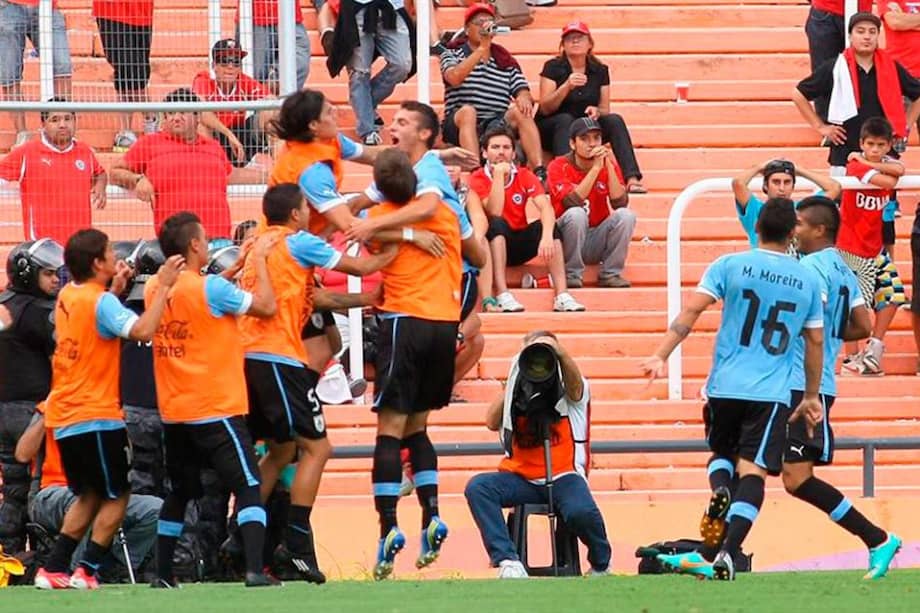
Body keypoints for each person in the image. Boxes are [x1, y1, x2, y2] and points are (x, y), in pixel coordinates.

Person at [640, 198, 825, 581]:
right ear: (792, 232)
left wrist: (660, 355)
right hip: (770, 393)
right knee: (754, 472)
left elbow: (690, 313)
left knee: (720, 456)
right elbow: (815, 342)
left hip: (724, 386)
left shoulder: (729, 264)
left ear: (756, 228)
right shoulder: (807, 278)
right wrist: (809, 395)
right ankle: (724, 554)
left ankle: (720, 489)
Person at [236, 184, 397, 583]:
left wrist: (369, 300)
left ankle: (239, 534)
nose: (310, 214)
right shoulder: (299, 243)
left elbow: (316, 299)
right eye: (307, 208)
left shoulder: (257, 245)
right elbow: (358, 268)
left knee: (281, 449)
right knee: (318, 448)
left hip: (248, 356)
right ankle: (296, 537)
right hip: (278, 356)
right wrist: (405, 243)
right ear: (295, 214)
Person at [33, 228, 182, 590]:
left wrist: (113, 289)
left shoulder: (70, 295)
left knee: (91, 495)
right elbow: (144, 329)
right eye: (110, 252)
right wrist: (162, 286)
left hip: (67, 417)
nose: (117, 256)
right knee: (119, 494)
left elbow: (95, 322)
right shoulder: (102, 303)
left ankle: (53, 569)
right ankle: (87, 570)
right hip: (95, 415)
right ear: (98, 262)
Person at [146, 211, 278, 588]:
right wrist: (260, 263)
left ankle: (164, 573)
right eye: (204, 239)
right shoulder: (210, 291)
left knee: (181, 491)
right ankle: (254, 570)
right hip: (215, 406)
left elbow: (200, 296)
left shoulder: (160, 286)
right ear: (194, 245)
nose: (207, 245)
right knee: (249, 484)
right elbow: (266, 306)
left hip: (175, 410)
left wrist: (234, 269)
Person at [781, 196, 901, 579]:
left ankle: (878, 539)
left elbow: (807, 325)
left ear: (819, 230)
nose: (794, 230)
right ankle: (720, 551)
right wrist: (832, 336)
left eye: (799, 224)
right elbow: (863, 327)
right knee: (755, 465)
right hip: (812, 381)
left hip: (803, 384)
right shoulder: (843, 268)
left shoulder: (811, 270)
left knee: (795, 478)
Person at [361, 149, 465, 580]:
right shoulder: (443, 214)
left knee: (389, 431)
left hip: (405, 320)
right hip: (445, 324)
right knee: (418, 427)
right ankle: (432, 515)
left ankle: (388, 526)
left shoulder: (381, 218)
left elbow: (371, 257)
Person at [464, 331, 611, 578]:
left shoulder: (570, 386)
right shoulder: (517, 387)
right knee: (478, 488)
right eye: (531, 354)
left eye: (544, 355)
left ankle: (600, 564)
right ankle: (508, 560)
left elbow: (576, 390)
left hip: (565, 476)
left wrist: (558, 352)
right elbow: (491, 421)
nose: (537, 362)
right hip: (520, 478)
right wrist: (512, 384)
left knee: (580, 512)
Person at [16, 407, 162, 582]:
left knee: (155, 509)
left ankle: (109, 566)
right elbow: (22, 454)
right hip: (51, 492)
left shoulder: (109, 408)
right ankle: (73, 571)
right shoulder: (51, 406)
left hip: (101, 492)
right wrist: (47, 417)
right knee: (87, 502)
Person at [110, 88, 266, 240]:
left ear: (198, 116)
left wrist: (271, 177)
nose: (176, 118)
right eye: (170, 113)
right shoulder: (150, 144)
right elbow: (115, 171)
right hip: (176, 243)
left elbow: (232, 174)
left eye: (183, 112)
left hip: (218, 240)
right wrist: (137, 180)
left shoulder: (213, 147)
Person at [467, 127, 584, 313]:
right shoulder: (477, 178)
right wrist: (498, 176)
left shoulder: (523, 174)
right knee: (496, 224)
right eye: (495, 147)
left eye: (506, 147)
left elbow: (545, 207)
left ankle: (562, 295)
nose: (500, 152)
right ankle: (502, 293)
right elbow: (494, 211)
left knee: (549, 226)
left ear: (513, 153)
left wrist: (546, 235)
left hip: (518, 241)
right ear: (484, 152)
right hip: (493, 243)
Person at [792, 12, 920, 170]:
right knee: (843, 194)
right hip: (844, 152)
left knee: (885, 194)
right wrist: (820, 127)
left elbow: (918, 95)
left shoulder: (892, 67)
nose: (867, 37)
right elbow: (799, 94)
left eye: (872, 32)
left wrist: (905, 125)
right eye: (861, 31)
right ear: (850, 36)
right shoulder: (835, 67)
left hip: (882, 154)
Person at [0, 239, 63, 555]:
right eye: (48, 273)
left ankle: (9, 559)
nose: (56, 280)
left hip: (4, 409)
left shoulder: (5, 303)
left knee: (12, 490)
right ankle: (41, 558)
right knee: (38, 489)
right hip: (33, 413)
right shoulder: (40, 312)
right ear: (28, 274)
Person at [835, 118, 908, 376]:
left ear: (889, 145)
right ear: (861, 143)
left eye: (880, 145)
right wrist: (864, 162)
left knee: (893, 295)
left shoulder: (870, 161)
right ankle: (851, 358)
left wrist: (868, 160)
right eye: (870, 145)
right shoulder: (854, 167)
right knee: (854, 302)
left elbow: (900, 170)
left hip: (874, 246)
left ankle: (874, 349)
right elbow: (889, 183)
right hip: (850, 245)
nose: (875, 150)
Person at [440, 3, 545, 180]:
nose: (484, 25)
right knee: (468, 111)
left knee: (522, 112)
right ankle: (475, 171)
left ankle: (539, 171)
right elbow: (454, 78)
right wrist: (482, 48)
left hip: (495, 121)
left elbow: (522, 89)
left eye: (489, 21)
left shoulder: (504, 59)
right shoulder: (452, 52)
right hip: (459, 122)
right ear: (467, 29)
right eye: (479, 22)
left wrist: (523, 97)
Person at [537, 21, 645, 194]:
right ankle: (564, 178)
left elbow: (605, 109)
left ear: (590, 44)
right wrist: (566, 87)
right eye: (569, 38)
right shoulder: (553, 67)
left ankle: (631, 178)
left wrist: (597, 111)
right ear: (563, 45)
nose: (575, 41)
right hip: (553, 126)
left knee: (614, 120)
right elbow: (545, 107)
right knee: (565, 120)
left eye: (579, 37)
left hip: (585, 127)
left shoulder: (599, 70)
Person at [0, 102, 106, 245]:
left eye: (67, 119)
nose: (62, 125)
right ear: (43, 124)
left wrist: (101, 184)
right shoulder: (27, 152)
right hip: (43, 248)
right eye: (55, 120)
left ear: (75, 121)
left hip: (79, 248)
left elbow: (100, 172)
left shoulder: (85, 151)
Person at [548, 117, 635, 289]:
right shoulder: (558, 165)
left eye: (596, 138)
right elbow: (571, 202)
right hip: (566, 238)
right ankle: (571, 274)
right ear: (572, 144)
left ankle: (610, 273)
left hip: (596, 237)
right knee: (576, 213)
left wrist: (608, 166)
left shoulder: (607, 163)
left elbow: (620, 203)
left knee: (627, 215)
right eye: (585, 138)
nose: (592, 144)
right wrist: (596, 169)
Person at [328, 0, 414, 145]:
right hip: (357, 7)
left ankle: (363, 104)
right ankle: (367, 130)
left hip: (392, 7)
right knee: (359, 73)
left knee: (402, 65)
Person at [0, 0, 72, 147]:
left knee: (62, 66)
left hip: (46, 5)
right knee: (9, 72)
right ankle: (21, 133)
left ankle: (61, 129)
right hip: (9, 5)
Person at [192, 39, 274, 168]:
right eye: (224, 61)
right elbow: (200, 111)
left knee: (271, 113)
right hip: (217, 137)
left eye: (236, 62)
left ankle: (280, 169)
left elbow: (272, 101)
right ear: (214, 65)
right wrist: (228, 134)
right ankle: (210, 169)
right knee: (200, 125)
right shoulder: (203, 81)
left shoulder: (243, 81)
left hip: (241, 137)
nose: (230, 66)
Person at [732, 159, 842, 248]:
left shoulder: (803, 210)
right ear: (766, 185)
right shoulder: (756, 209)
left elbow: (834, 187)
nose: (781, 188)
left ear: (793, 185)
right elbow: (738, 184)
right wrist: (759, 167)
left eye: (787, 182)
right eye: (776, 182)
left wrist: (799, 170)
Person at [92, 0, 157, 150]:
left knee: (139, 68)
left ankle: (148, 117)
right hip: (110, 9)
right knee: (124, 64)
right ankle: (134, 124)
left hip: (141, 8)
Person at [803, 0, 872, 126]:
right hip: (826, 11)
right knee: (825, 71)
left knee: (863, 67)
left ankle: (862, 121)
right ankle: (827, 123)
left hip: (859, 13)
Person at [238, 0, 311, 93]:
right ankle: (260, 99)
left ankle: (268, 97)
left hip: (290, 15)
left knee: (299, 64)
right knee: (256, 73)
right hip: (255, 16)